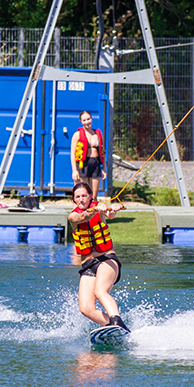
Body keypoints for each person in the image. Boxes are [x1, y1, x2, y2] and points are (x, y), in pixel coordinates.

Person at [67, 181, 128, 331]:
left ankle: (116, 321)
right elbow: (83, 218)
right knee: (85, 308)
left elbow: (110, 214)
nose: (81, 199)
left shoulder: (100, 208)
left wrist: (112, 209)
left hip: (106, 259)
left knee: (100, 291)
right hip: (88, 265)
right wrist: (95, 209)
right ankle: (113, 327)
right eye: (78, 197)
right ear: (74, 200)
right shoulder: (73, 216)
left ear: (90, 197)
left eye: (84, 196)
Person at [70, 110, 105, 198]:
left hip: (95, 164)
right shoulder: (77, 135)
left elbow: (103, 152)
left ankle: (93, 212)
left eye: (88, 119)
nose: (87, 122)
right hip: (83, 165)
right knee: (80, 195)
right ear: (81, 122)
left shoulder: (98, 134)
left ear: (91, 119)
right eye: (84, 120)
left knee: (93, 196)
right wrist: (74, 170)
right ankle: (78, 212)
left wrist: (104, 168)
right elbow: (73, 154)